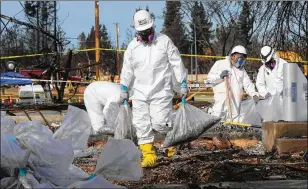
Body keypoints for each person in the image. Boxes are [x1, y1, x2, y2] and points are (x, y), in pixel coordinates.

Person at [119, 9, 188, 168]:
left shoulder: (164, 41)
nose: (145, 34)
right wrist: (124, 87)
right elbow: (127, 69)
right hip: (140, 92)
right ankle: (149, 154)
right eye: (142, 31)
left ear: (153, 27)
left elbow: (176, 63)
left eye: (147, 30)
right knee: (141, 124)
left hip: (161, 91)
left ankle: (172, 141)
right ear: (136, 30)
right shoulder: (132, 47)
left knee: (160, 123)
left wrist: (182, 83)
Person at [206, 45, 259, 122]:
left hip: (235, 108)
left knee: (233, 129)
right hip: (220, 106)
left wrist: (254, 94)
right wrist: (219, 76)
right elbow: (209, 80)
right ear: (233, 56)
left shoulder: (242, 71)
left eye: (243, 59)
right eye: (240, 58)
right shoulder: (220, 64)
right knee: (217, 125)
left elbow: (248, 85)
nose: (241, 61)